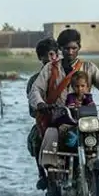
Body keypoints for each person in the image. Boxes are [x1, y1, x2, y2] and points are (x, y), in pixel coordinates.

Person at [28, 28, 99, 191]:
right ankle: (51, 177)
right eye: (66, 48)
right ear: (60, 49)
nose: (70, 52)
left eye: (74, 48)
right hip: (62, 119)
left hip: (87, 119)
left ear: (79, 48)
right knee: (49, 138)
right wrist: (40, 103)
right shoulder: (50, 69)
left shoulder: (89, 67)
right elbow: (35, 90)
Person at [27, 37, 61, 187]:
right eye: (46, 56)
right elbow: (32, 109)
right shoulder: (34, 80)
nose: (50, 59)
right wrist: (42, 107)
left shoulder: (67, 74)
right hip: (46, 120)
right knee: (35, 139)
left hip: (69, 117)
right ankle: (42, 174)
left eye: (53, 54)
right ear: (40, 58)